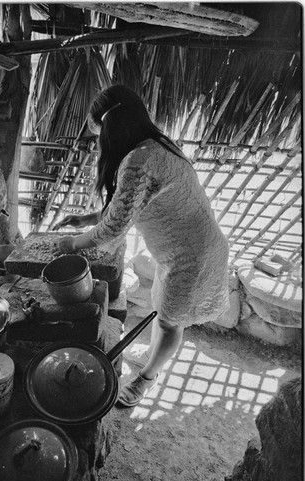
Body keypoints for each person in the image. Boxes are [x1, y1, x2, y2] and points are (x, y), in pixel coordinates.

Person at [54, 84, 229, 407]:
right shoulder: (156, 146)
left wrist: (73, 244)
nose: (99, 143)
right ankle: (152, 356)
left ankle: (146, 378)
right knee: (163, 309)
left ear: (112, 129)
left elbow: (114, 227)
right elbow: (129, 204)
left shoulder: (139, 161)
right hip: (189, 249)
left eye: (98, 135)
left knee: (169, 320)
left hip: (193, 258)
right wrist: (83, 220)